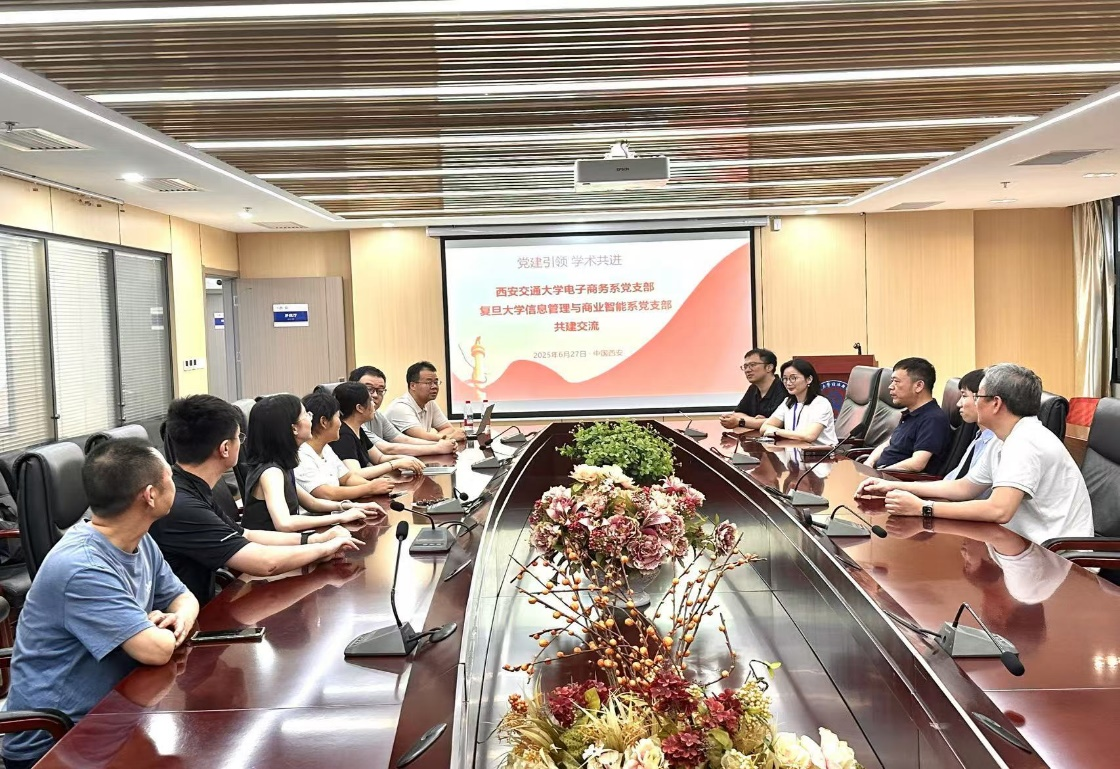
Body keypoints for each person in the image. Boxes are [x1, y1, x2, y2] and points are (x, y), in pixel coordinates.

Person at [2, 439, 199, 769]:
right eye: (169, 476)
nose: (175, 483)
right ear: (150, 495)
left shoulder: (139, 540)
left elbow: (184, 598)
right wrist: (158, 629)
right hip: (57, 742)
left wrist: (177, 618)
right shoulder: (83, 567)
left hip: (114, 716)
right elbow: (155, 651)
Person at [151, 395, 364, 605]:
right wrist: (326, 547)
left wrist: (316, 539)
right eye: (239, 437)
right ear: (225, 448)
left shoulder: (190, 486)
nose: (242, 444)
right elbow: (265, 563)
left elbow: (245, 534)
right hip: (192, 617)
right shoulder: (183, 504)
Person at [856, 363, 1092, 545]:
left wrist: (922, 508)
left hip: (1056, 556)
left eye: (977, 396)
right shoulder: (1002, 438)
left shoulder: (1025, 442)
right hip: (1019, 544)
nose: (966, 403)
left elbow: (999, 510)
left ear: (996, 403)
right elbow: (964, 487)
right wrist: (892, 486)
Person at [241, 393, 388, 533]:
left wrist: (350, 507)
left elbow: (312, 503)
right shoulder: (272, 473)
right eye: (306, 414)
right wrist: (340, 517)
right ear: (294, 428)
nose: (311, 419)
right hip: (270, 547)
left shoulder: (283, 464)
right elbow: (284, 523)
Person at [296, 391, 400, 502]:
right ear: (324, 422)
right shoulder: (301, 455)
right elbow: (327, 493)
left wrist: (378, 486)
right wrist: (369, 488)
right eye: (338, 417)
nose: (341, 423)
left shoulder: (325, 448)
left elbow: (347, 478)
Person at [348, 366, 457, 456]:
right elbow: (387, 448)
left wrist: (440, 444)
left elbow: (402, 439)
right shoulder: (351, 420)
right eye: (369, 389)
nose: (375, 395)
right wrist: (438, 447)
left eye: (380, 390)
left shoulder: (378, 416)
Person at [866, 357, 950, 473]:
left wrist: (880, 473)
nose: (890, 386)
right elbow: (888, 443)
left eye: (896, 381)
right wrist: (869, 463)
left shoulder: (933, 419)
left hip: (898, 480)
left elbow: (917, 463)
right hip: (883, 475)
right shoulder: (911, 413)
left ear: (919, 386)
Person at [332, 382, 426, 477]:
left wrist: (405, 459)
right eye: (370, 400)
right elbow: (356, 474)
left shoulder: (358, 429)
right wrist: (394, 464)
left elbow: (379, 458)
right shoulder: (343, 435)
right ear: (359, 408)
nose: (374, 404)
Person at [759, 358, 838, 446]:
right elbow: (764, 428)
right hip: (794, 449)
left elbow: (809, 436)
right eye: (785, 379)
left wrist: (776, 431)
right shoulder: (788, 402)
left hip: (821, 452)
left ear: (809, 379)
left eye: (793, 378)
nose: (788, 383)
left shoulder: (821, 403)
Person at [384, 361, 467, 442]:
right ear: (412, 385)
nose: (434, 386)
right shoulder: (400, 407)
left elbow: (448, 428)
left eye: (436, 382)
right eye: (429, 382)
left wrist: (442, 438)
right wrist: (449, 437)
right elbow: (422, 438)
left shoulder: (430, 403)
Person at [944, 368, 996, 485]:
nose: (958, 404)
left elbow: (967, 490)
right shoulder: (980, 436)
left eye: (964, 395)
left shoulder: (995, 443)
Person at [720, 348, 786, 430]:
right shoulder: (753, 388)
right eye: (745, 366)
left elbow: (779, 422)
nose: (747, 370)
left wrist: (743, 422)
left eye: (753, 365)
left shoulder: (783, 387)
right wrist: (754, 421)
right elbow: (737, 413)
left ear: (769, 367)